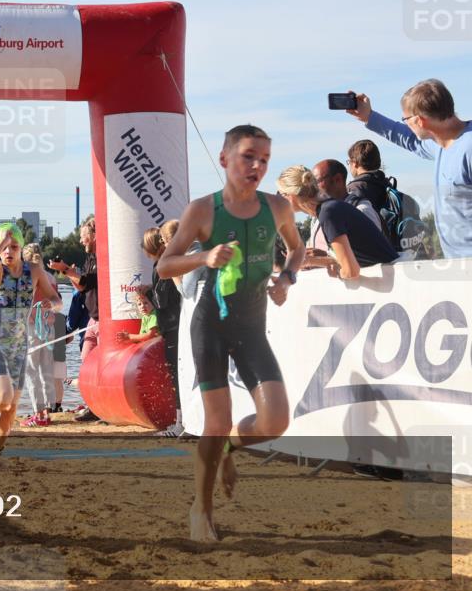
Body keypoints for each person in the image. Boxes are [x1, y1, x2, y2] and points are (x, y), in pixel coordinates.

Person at [157, 125, 305, 542]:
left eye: (264, 159)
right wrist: (204, 255)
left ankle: (228, 450)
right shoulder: (202, 211)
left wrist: (287, 279)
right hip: (211, 327)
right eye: (248, 156)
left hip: (252, 327)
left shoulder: (277, 208)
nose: (257, 165)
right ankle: (200, 511)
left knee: (276, 419)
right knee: (216, 421)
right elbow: (164, 266)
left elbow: (296, 248)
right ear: (225, 160)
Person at [345, 79, 472, 257]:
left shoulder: (468, 148)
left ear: (420, 121)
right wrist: (369, 116)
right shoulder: (441, 143)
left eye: (406, 120)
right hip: (460, 267)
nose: (406, 125)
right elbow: (409, 139)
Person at [0, 223, 61, 464]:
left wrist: (50, 305)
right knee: (3, 396)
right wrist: (1, 242)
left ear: (21, 247)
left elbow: (56, 299)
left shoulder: (34, 271)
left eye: (14, 246)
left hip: (20, 348)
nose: (9, 251)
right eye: (4, 247)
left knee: (11, 410)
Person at [278, 165, 398, 279]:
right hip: (393, 276)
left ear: (292, 195)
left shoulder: (328, 213)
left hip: (394, 282)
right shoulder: (330, 208)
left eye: (282, 194)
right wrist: (309, 261)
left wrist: (337, 274)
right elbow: (357, 258)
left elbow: (351, 271)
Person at [48, 216, 100, 422]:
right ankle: (93, 406)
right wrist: (65, 270)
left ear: (94, 235)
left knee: (99, 365)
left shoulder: (103, 255)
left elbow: (86, 281)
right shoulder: (89, 258)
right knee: (87, 362)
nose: (80, 241)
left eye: (83, 236)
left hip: (105, 318)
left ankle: (99, 408)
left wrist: (66, 270)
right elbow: (81, 286)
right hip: (93, 318)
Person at [143, 221, 185, 437]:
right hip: (179, 324)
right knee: (182, 373)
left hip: (174, 325)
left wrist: (147, 294)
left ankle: (181, 422)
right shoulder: (176, 261)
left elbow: (163, 300)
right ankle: (185, 421)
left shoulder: (163, 266)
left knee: (178, 374)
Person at [20, 242, 62, 428]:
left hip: (32, 326)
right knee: (47, 369)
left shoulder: (28, 276)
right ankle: (48, 410)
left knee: (30, 370)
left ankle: (38, 411)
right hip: (49, 326)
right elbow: (57, 302)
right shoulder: (50, 277)